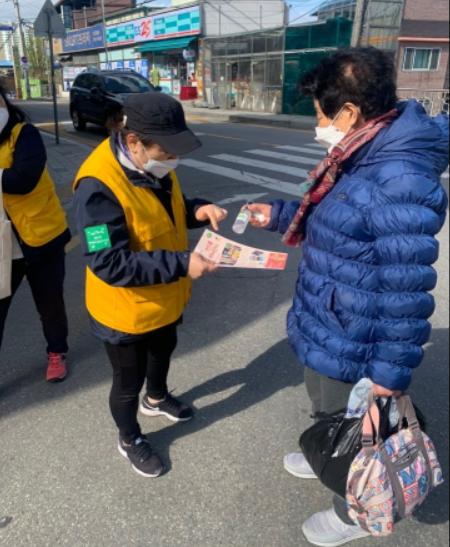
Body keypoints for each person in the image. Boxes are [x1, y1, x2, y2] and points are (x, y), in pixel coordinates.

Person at [247, 48, 449, 546]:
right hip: (331, 318)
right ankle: (325, 448)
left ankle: (352, 512)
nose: (318, 124)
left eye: (322, 114)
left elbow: (407, 290)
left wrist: (388, 376)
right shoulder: (363, 151)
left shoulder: (400, 177)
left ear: (350, 112)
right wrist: (278, 215)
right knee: (326, 408)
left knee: (360, 431)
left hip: (356, 335)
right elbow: (340, 219)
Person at [73, 93, 227, 478]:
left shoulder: (152, 165)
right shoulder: (96, 187)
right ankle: (129, 438)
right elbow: (107, 261)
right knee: (128, 381)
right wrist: (182, 263)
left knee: (163, 350)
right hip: (124, 311)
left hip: (162, 297)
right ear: (134, 141)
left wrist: (198, 209)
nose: (173, 160)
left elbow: (166, 209)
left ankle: (156, 398)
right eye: (167, 152)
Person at [0, 86, 71, 382]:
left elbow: (23, 180)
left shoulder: (24, 134)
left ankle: (57, 352)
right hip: (4, 246)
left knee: (50, 304)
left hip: (42, 238)